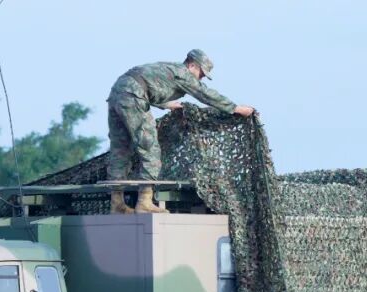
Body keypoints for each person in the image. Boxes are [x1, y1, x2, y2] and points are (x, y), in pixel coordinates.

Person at [106, 50, 255, 214]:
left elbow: (146, 83)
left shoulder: (169, 69)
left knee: (120, 150)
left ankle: (117, 202)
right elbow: (204, 94)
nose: (201, 78)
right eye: (201, 74)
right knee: (150, 149)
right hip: (133, 96)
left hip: (118, 93)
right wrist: (235, 108)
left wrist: (165, 104)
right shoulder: (183, 73)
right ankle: (145, 201)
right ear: (191, 65)